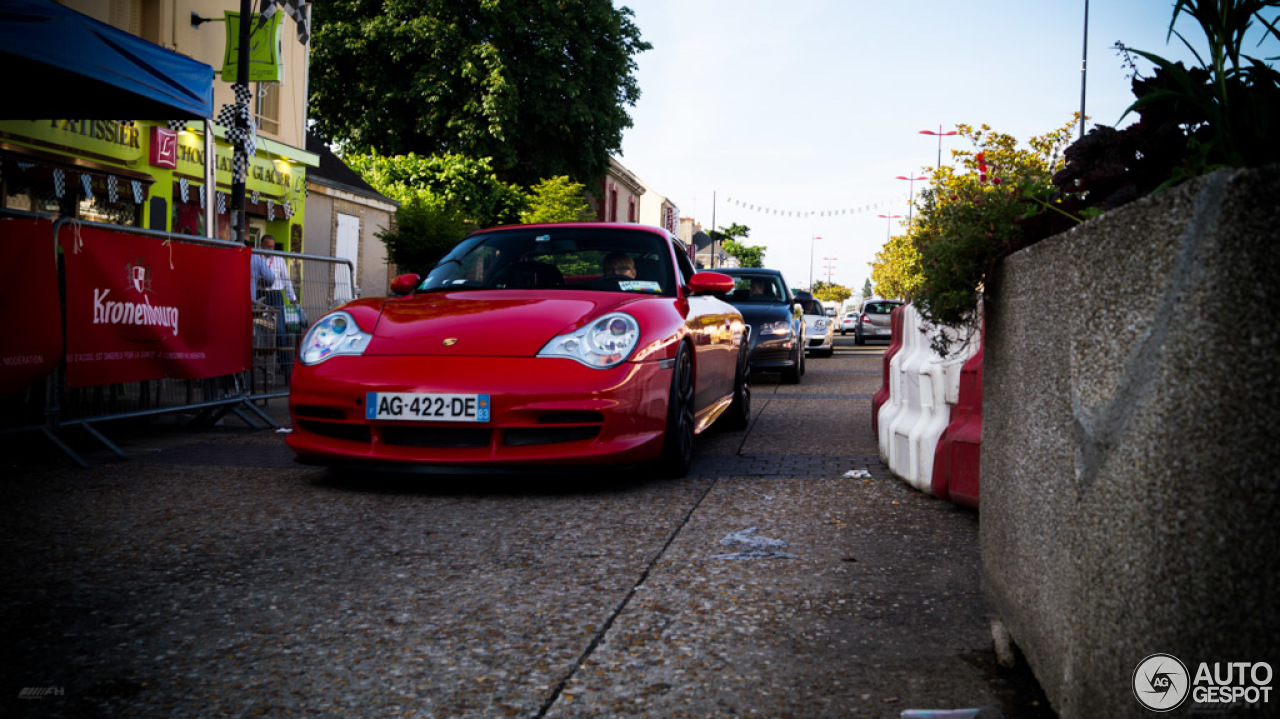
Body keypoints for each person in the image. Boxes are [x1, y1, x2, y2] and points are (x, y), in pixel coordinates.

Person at [260, 235, 297, 381]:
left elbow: (286, 281)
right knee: (261, 332)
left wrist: (292, 298)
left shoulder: (280, 260)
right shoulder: (256, 258)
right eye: (267, 246)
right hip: (260, 295)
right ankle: (263, 368)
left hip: (275, 295)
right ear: (261, 245)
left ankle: (285, 368)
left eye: (272, 246)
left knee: (280, 331)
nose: (270, 249)